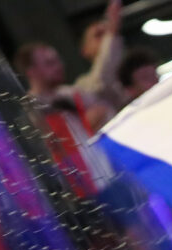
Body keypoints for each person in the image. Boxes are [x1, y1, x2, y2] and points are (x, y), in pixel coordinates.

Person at [14, 42, 113, 195]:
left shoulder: (72, 94)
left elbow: (103, 108)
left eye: (57, 60)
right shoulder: (30, 111)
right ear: (32, 72)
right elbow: (46, 150)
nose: (59, 66)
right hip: (77, 191)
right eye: (49, 63)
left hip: (107, 176)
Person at [75, 0, 125, 113]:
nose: (106, 39)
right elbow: (101, 83)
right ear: (85, 50)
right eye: (99, 35)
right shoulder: (83, 84)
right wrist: (112, 32)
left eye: (107, 33)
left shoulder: (132, 69)